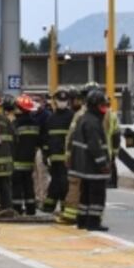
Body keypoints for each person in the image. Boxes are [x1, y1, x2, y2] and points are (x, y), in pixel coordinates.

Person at [70, 90, 112, 231]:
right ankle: (93, 222)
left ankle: (82, 221)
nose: (104, 110)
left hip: (84, 166)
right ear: (94, 106)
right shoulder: (92, 122)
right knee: (97, 195)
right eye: (102, 106)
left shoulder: (84, 118)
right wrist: (103, 163)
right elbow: (95, 146)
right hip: (93, 167)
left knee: (85, 195)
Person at [58, 85, 92, 225]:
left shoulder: (80, 115)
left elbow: (71, 137)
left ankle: (71, 215)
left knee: (76, 185)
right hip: (98, 157)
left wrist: (68, 155)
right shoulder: (107, 113)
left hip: (80, 157)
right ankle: (91, 216)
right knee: (92, 188)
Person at [42, 89, 75, 214]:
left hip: (67, 157)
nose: (62, 103)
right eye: (60, 100)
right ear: (55, 101)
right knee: (56, 180)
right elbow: (46, 137)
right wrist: (46, 154)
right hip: (54, 157)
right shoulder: (51, 118)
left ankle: (60, 206)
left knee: (63, 182)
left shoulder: (72, 116)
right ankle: (50, 205)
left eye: (64, 100)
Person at [12, 94, 41, 216]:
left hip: (17, 160)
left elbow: (13, 142)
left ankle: (17, 209)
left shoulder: (16, 124)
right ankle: (31, 209)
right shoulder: (36, 123)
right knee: (29, 185)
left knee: (17, 186)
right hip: (30, 160)